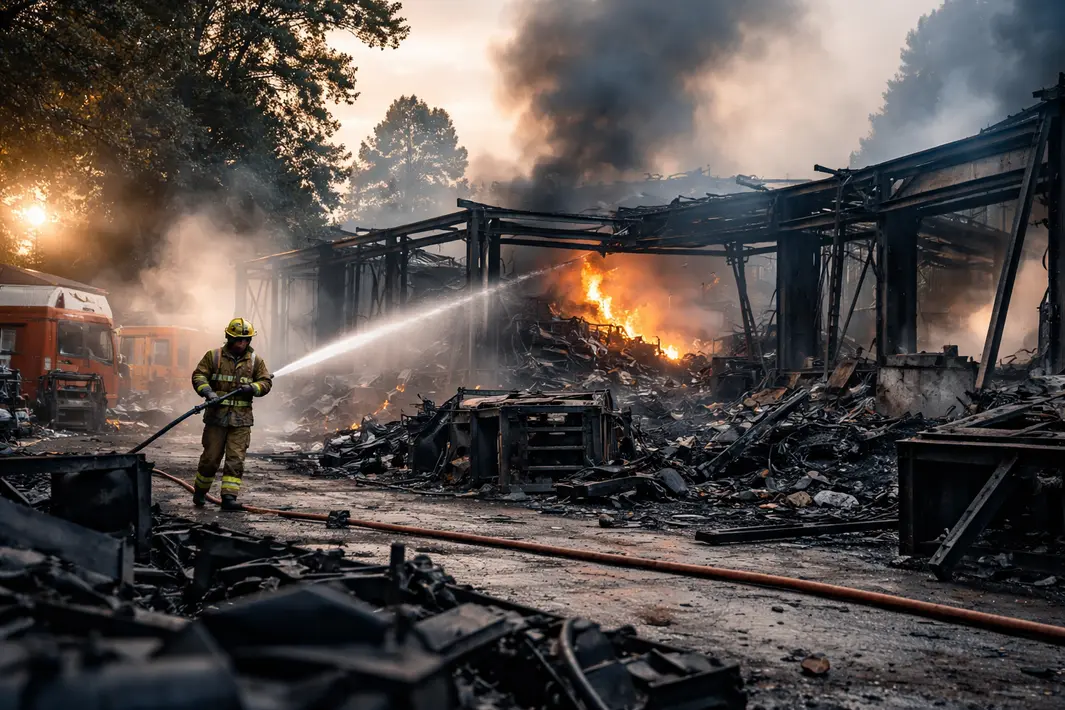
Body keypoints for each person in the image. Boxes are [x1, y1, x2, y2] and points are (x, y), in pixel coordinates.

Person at [190, 317, 272, 511]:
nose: (241, 343)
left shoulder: (255, 361)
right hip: (216, 419)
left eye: (245, 340)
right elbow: (198, 375)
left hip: (241, 420)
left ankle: (229, 497)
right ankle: (200, 492)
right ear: (229, 337)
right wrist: (208, 392)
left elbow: (266, 382)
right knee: (210, 458)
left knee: (235, 459)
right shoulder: (214, 356)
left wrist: (253, 388)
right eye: (238, 339)